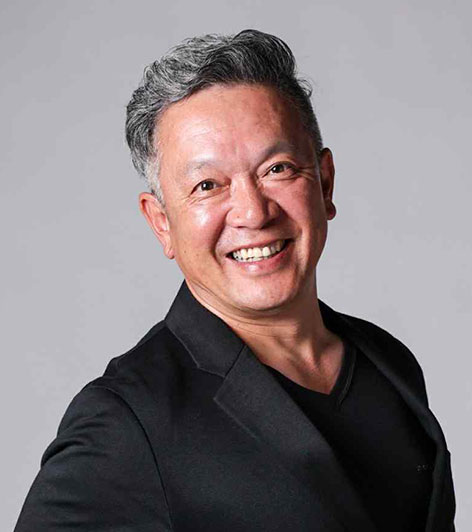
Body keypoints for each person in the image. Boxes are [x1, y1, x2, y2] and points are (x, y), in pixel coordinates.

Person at [14, 30, 455, 531]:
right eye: (207, 185)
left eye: (277, 168)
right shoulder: (126, 420)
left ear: (325, 182)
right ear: (161, 222)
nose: (253, 212)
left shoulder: (387, 361)